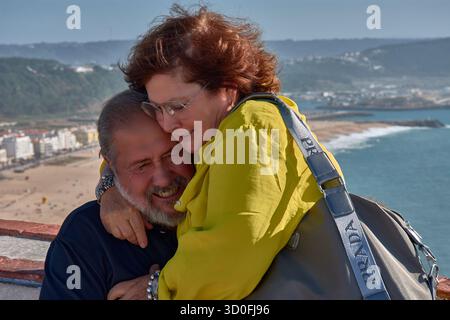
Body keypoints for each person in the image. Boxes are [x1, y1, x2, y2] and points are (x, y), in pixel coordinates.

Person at [98, 5, 344, 300]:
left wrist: (156, 290)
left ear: (227, 87)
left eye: (177, 106)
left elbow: (233, 252)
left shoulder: (251, 129)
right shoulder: (208, 135)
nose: (165, 123)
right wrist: (111, 187)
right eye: (158, 108)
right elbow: (131, 153)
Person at [39, 90, 193, 299]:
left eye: (173, 154)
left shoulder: (224, 211)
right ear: (111, 165)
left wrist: (161, 289)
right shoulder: (88, 235)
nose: (163, 178)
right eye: (142, 165)